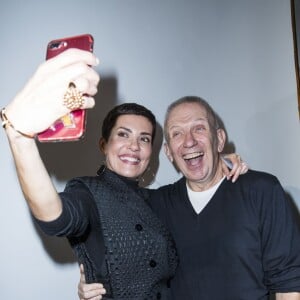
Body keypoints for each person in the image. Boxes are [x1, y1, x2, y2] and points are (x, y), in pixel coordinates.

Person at [1, 50, 246, 299]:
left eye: (144, 138)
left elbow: (197, 184)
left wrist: (221, 161)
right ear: (104, 145)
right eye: (123, 134)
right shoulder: (88, 193)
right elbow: (55, 218)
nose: (134, 146)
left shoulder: (159, 199)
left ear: (153, 150)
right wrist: (20, 138)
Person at [79, 96, 300, 300]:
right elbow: (108, 219)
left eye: (199, 128)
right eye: (177, 133)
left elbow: (288, 283)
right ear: (168, 153)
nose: (189, 141)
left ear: (219, 139)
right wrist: (91, 282)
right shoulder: (156, 204)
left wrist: (225, 160)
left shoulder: (261, 190)